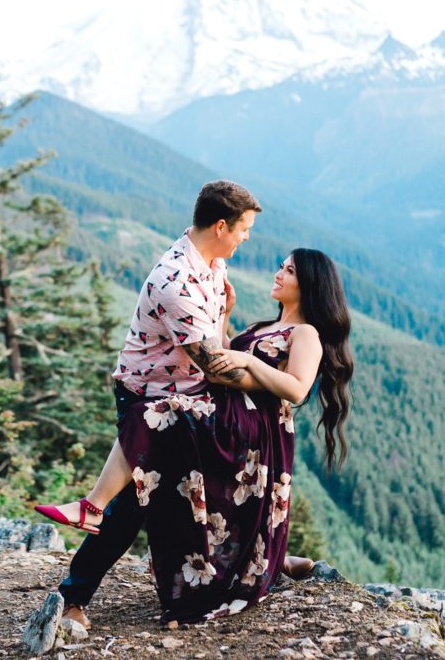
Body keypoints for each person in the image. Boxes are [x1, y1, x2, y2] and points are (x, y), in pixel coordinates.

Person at [37, 180, 309, 628]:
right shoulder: (177, 282)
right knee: (131, 505)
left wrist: (223, 316)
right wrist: (278, 384)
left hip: (188, 396)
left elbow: (215, 347)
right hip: (152, 399)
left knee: (227, 473)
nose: (246, 238)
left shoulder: (212, 263)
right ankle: (73, 597)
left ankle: (262, 559)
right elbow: (219, 367)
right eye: (244, 229)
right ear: (221, 226)